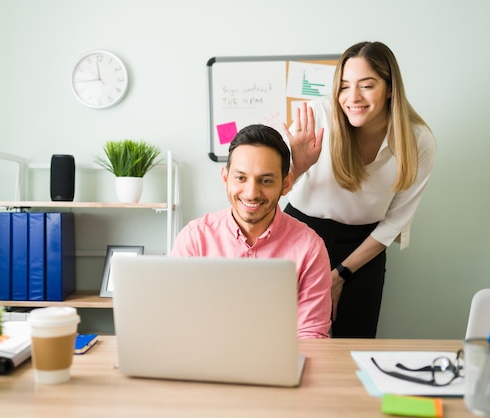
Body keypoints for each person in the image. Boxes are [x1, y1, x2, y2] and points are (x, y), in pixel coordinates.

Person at [281, 41, 436, 338]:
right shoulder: (317, 116)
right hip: (301, 236)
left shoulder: (419, 141)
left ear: (390, 88)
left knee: (354, 349)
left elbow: (396, 222)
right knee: (287, 343)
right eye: (344, 86)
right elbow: (267, 192)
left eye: (367, 86)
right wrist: (297, 166)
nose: (353, 98)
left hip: (363, 251)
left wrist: (340, 275)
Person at [171, 124, 332, 339]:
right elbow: (176, 319)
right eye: (241, 178)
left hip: (280, 366)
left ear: (286, 184)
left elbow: (311, 333)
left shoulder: (310, 247)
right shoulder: (194, 239)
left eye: (266, 181)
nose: (252, 193)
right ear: (225, 178)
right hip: (205, 361)